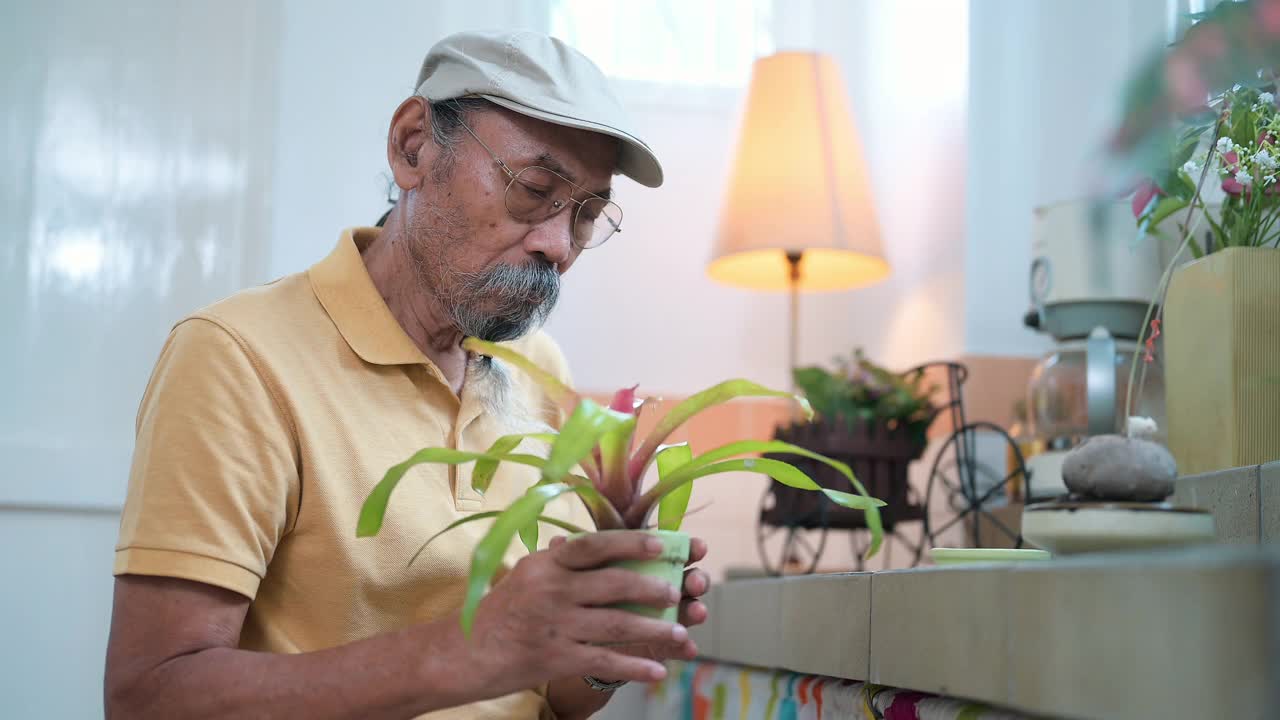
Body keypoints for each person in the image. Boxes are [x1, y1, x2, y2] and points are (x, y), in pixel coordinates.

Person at [104, 30, 710, 720]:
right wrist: (476, 648)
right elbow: (149, 697)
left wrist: (607, 638)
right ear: (414, 145)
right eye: (534, 188)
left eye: (588, 214)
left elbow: (552, 694)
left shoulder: (540, 372)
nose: (559, 246)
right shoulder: (237, 357)